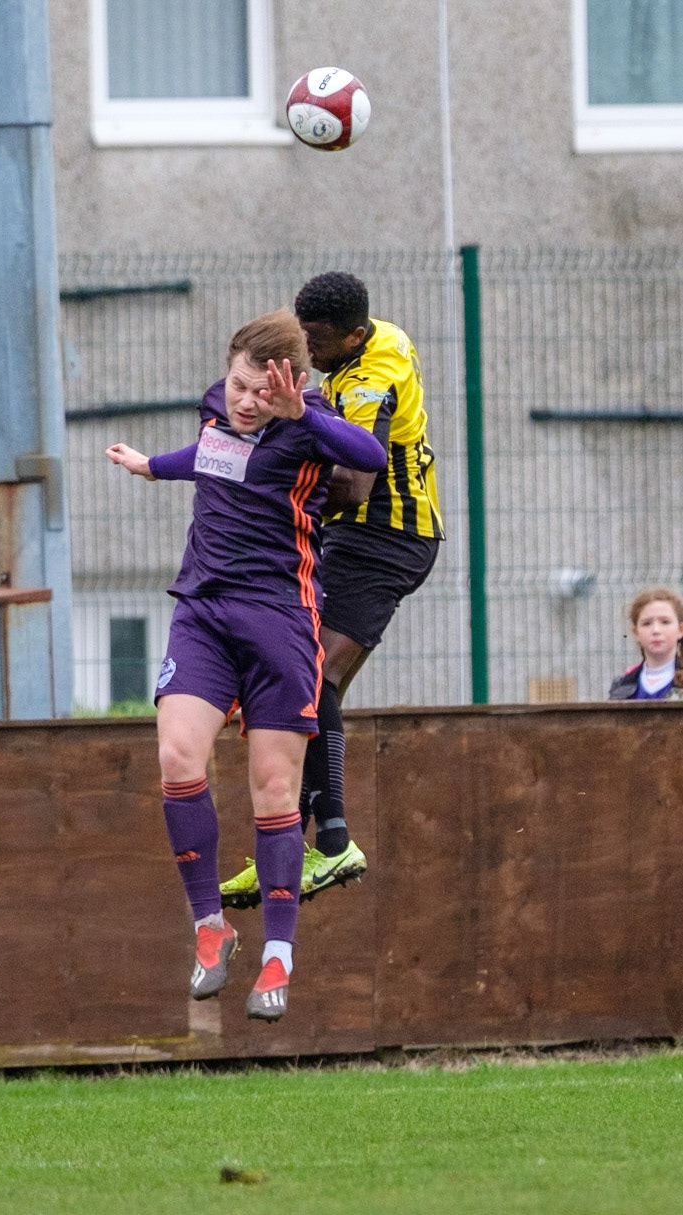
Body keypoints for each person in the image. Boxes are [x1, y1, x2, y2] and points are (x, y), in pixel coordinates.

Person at [106, 309, 385, 1022]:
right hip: (202, 611)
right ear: (227, 370)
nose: (247, 401)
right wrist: (151, 466)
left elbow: (369, 456)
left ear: (289, 383)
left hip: (280, 619)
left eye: (263, 392)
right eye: (239, 385)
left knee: (273, 788)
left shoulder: (309, 421)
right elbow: (210, 454)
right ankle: (211, 927)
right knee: (176, 758)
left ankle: (278, 955)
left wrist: (303, 414)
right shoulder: (217, 403)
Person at [221, 271, 445, 910]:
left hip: (388, 539)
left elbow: (352, 485)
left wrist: (267, 482)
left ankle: (335, 842)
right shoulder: (367, 344)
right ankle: (288, 850)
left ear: (353, 336)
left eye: (316, 342)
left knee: (314, 680)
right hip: (351, 539)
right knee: (301, 687)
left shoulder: (372, 382)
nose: (308, 352)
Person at [608, 588, 683, 701]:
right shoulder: (623, 685)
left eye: (665, 622)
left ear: (680, 629)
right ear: (636, 632)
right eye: (647, 623)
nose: (656, 630)